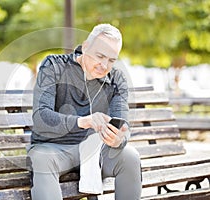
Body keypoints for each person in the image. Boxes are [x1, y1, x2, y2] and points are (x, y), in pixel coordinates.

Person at [27, 24, 142, 200]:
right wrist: (84, 121)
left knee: (130, 156)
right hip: (54, 149)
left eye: (111, 60)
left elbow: (123, 125)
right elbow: (41, 118)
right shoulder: (54, 65)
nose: (104, 65)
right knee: (41, 158)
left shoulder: (116, 79)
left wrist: (119, 138)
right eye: (100, 56)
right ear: (85, 47)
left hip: (95, 151)